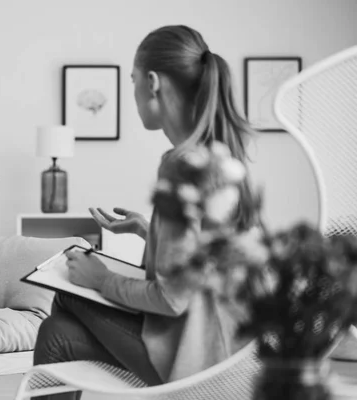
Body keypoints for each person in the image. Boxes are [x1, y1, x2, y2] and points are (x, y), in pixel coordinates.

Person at [33, 25, 258, 399]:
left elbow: (171, 299)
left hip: (195, 360)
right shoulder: (219, 154)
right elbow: (204, 261)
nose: (133, 91)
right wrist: (148, 230)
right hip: (231, 353)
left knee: (69, 290)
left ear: (152, 83)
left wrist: (101, 279)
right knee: (55, 333)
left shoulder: (181, 164)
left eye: (133, 80)